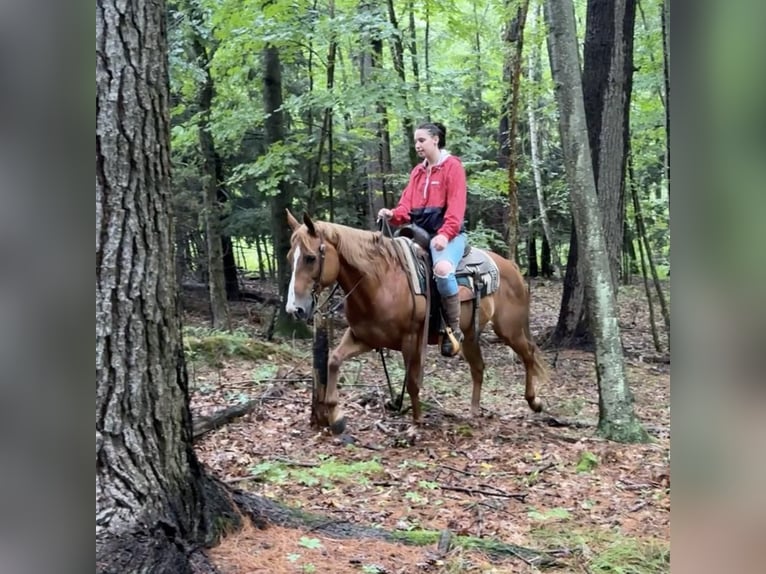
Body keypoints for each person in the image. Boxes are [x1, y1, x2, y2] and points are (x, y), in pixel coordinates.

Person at [378, 122, 467, 357]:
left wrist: (445, 235)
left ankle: (453, 331)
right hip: (419, 234)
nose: (417, 145)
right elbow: (406, 206)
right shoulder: (417, 172)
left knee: (443, 269)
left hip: (448, 236)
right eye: (415, 141)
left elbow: (456, 210)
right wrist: (393, 214)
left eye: (421, 140)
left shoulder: (452, 167)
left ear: (436, 139)